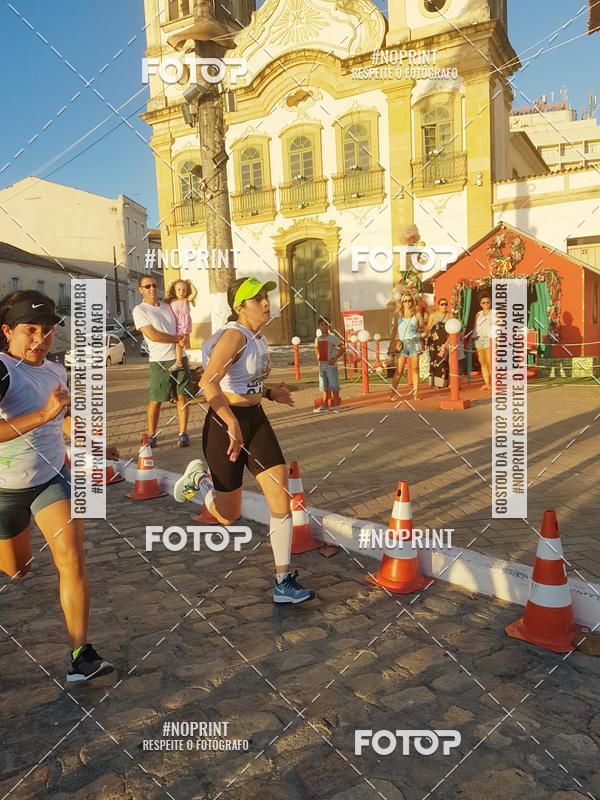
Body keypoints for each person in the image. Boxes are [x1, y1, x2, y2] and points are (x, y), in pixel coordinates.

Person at [173, 276, 315, 604]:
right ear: (240, 308)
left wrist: (268, 392)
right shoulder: (235, 336)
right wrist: (231, 423)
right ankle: (199, 481)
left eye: (266, 296)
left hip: (256, 421)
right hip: (226, 427)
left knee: (280, 494)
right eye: (258, 299)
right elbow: (208, 384)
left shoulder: (256, 336)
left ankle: (283, 579)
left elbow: (244, 381)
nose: (266, 303)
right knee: (228, 516)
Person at [0, 290, 114, 682]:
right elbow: (39, 416)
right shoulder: (2, 370)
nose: (40, 339)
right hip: (5, 489)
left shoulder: (55, 370)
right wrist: (41, 414)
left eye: (47, 331)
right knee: (18, 569)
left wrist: (86, 435)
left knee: (72, 557)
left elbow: (59, 420)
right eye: (30, 330)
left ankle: (81, 655)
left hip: (51, 477)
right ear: (7, 331)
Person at [132, 275, 193, 447]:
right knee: (157, 399)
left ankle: (183, 433)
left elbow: (182, 323)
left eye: (154, 285)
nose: (152, 289)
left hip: (180, 358)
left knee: (183, 397)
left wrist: (184, 338)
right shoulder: (140, 310)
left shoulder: (168, 306)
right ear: (141, 290)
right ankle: (151, 434)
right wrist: (176, 339)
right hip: (160, 361)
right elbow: (153, 335)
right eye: (147, 286)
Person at [388, 293, 425, 401]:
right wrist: (391, 345)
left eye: (409, 300)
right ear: (402, 302)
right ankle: (392, 393)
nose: (407, 303)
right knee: (398, 370)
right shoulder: (398, 314)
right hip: (402, 343)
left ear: (412, 302)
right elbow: (394, 330)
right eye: (405, 301)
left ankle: (416, 393)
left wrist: (420, 331)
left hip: (414, 342)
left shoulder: (417, 314)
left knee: (415, 368)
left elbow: (423, 327)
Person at [314, 316, 344, 413]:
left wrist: (335, 358)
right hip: (322, 366)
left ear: (329, 326)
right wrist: (318, 356)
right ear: (319, 326)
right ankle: (324, 405)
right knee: (324, 387)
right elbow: (316, 348)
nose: (324, 327)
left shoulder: (332, 338)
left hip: (330, 366)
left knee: (334, 386)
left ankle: (336, 406)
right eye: (322, 325)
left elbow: (343, 347)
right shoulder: (317, 339)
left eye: (326, 325)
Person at [166, 279, 197, 373]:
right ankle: (181, 362)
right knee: (179, 344)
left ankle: (180, 362)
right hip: (176, 326)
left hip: (185, 326)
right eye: (179, 289)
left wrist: (190, 284)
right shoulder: (171, 301)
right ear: (174, 290)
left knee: (181, 344)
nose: (181, 292)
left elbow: (195, 293)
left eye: (184, 290)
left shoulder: (186, 301)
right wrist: (170, 284)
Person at [427, 298, 451, 388]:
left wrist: (447, 343)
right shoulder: (433, 315)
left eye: (446, 304)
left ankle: (443, 382)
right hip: (434, 341)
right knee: (434, 361)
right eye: (442, 304)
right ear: (438, 305)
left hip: (444, 341)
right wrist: (433, 323)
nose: (444, 306)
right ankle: (434, 382)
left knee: (443, 361)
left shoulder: (450, 315)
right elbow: (428, 328)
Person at [472, 295, 493, 390]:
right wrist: (472, 338)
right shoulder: (478, 314)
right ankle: (487, 383)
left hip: (489, 338)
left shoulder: (494, 313)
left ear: (491, 302)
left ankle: (493, 383)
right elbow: (475, 327)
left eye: (487, 302)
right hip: (479, 339)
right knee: (482, 362)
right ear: (480, 304)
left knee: (490, 362)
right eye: (483, 303)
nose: (486, 304)